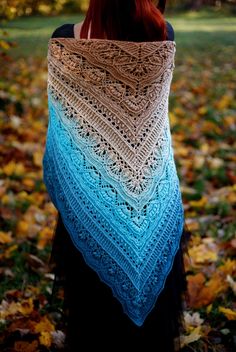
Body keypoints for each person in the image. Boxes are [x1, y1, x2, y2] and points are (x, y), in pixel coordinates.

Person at [43, 1, 191, 351]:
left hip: (91, 197)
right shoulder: (163, 35)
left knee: (91, 322)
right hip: (154, 203)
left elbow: (66, 128)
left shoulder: (66, 39)